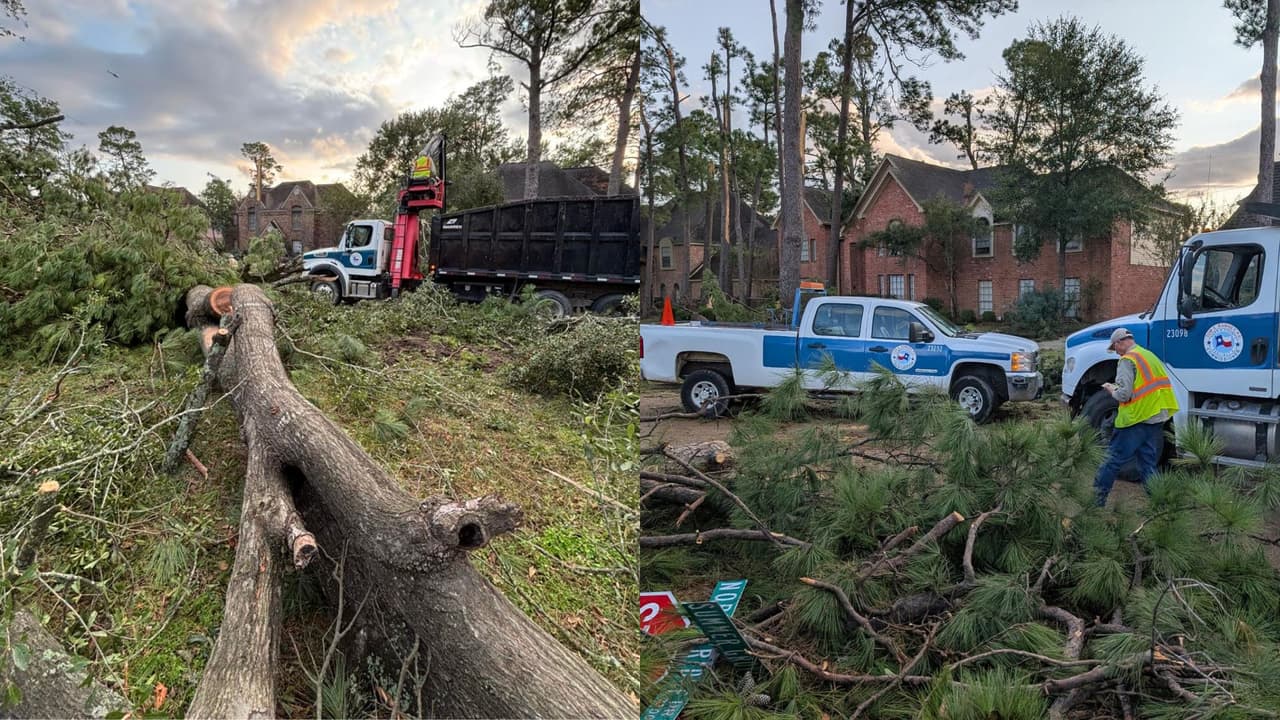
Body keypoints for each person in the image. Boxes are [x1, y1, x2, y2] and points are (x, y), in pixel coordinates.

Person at [1092, 328, 1180, 506]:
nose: (1116, 352)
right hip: (1155, 417)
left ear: (1119, 343)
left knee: (1112, 460)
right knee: (1147, 464)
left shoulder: (1127, 360)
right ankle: (1159, 504)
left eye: (1115, 348)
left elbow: (1124, 395)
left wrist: (1111, 388)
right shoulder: (1148, 355)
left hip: (1135, 419)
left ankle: (1095, 503)